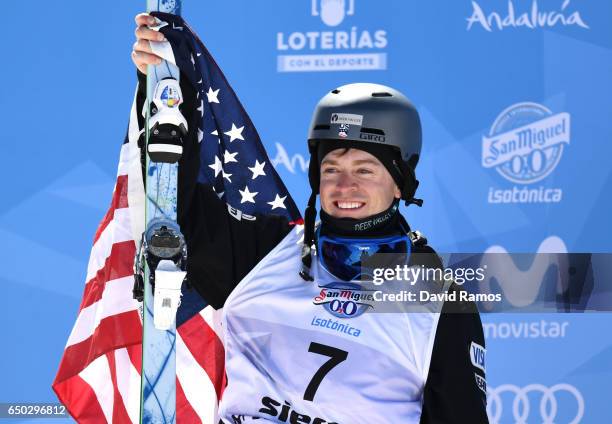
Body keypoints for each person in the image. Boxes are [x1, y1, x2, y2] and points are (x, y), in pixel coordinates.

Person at [132, 13, 488, 423]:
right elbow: (173, 203)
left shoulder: (438, 299)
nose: (344, 186)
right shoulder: (262, 253)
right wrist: (168, 84)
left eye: (365, 170)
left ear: (401, 183)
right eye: (331, 168)